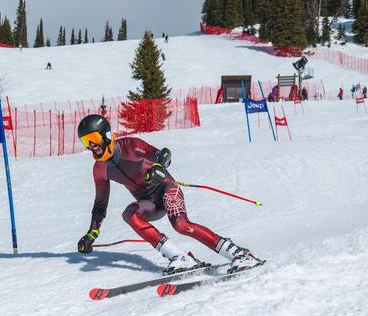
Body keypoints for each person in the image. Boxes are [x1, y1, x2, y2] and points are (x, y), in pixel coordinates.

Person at [75, 114, 262, 275]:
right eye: (85, 142)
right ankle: (179, 258)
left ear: (106, 135)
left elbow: (163, 154)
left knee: (181, 225)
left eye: (93, 138)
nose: (91, 145)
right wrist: (92, 233)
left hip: (166, 189)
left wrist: (158, 167)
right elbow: (100, 204)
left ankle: (239, 254)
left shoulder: (130, 146)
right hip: (149, 203)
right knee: (129, 214)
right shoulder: (99, 169)